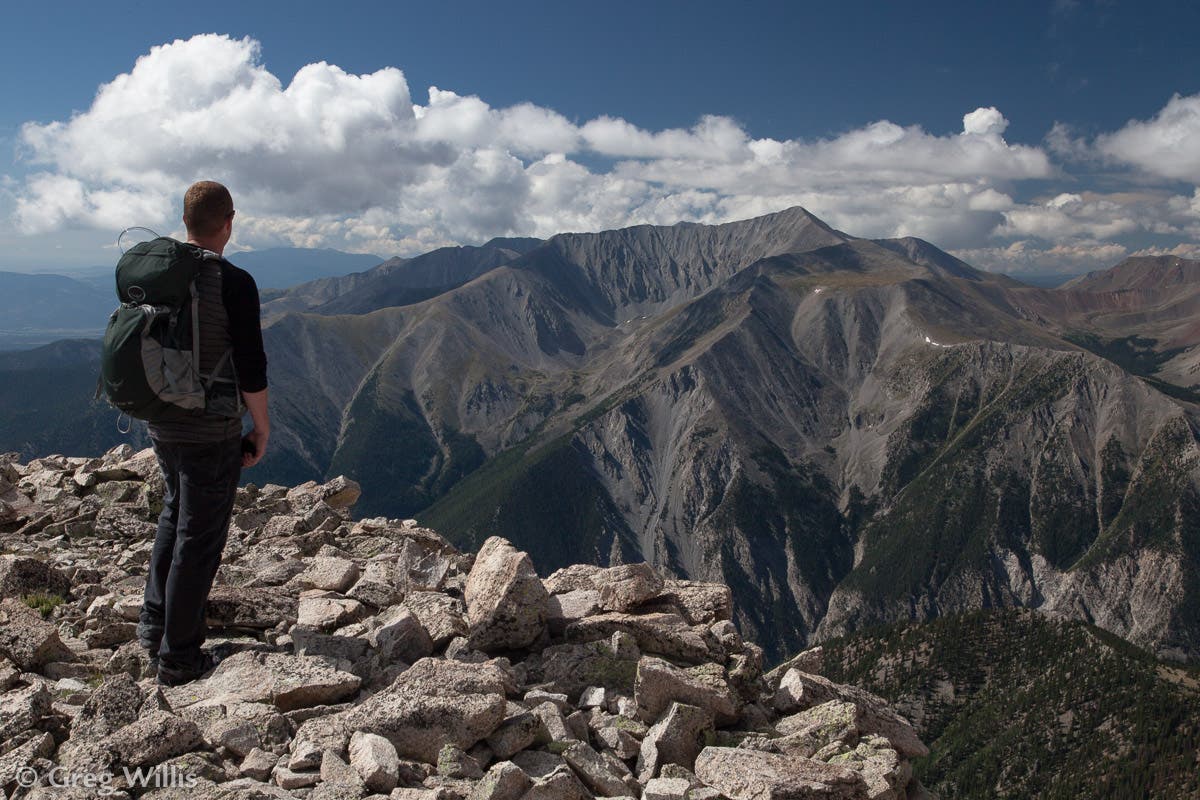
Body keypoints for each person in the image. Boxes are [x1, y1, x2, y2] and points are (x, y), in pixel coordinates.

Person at [136, 181, 270, 686]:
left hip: (160, 420)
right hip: (209, 427)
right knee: (201, 536)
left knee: (176, 511)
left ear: (185, 220)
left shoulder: (160, 276)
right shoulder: (232, 282)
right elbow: (251, 365)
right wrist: (260, 425)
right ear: (228, 222)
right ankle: (180, 657)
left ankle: (154, 626)